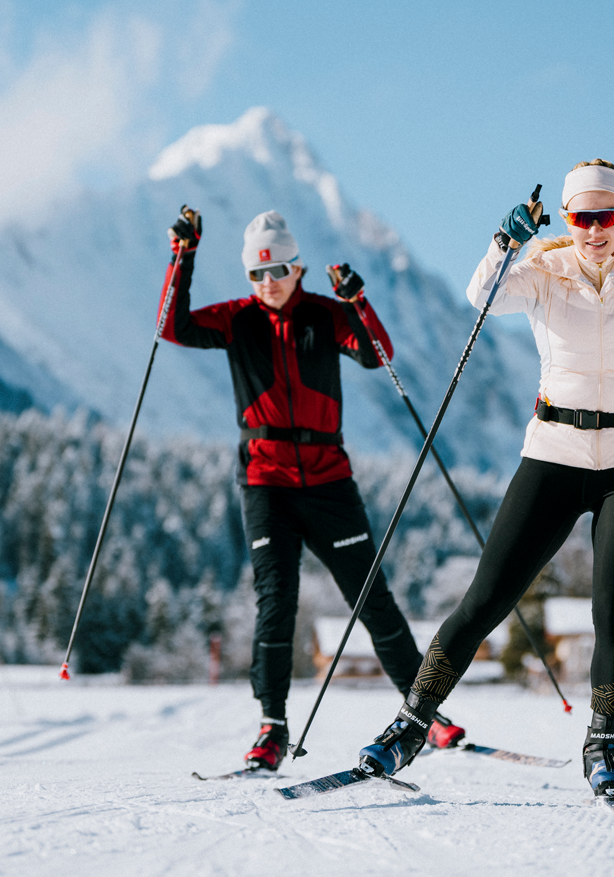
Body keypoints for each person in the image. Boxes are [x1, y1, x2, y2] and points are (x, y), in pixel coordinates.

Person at [353, 141, 614, 798]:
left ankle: (605, 743)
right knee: (487, 597)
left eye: (608, 217)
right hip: (553, 455)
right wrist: (505, 242)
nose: (596, 231)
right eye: (582, 219)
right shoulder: (543, 273)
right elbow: (482, 296)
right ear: (566, 220)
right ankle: (411, 724)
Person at [158, 208, 468, 771]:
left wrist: (356, 300)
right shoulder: (236, 319)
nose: (268, 282)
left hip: (328, 479)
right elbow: (171, 328)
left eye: (277, 269)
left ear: (297, 267)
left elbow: (377, 355)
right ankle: (271, 726)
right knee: (276, 603)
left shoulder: (325, 315)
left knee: (371, 598)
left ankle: (426, 714)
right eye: (257, 274)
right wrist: (185, 256)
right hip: (265, 481)